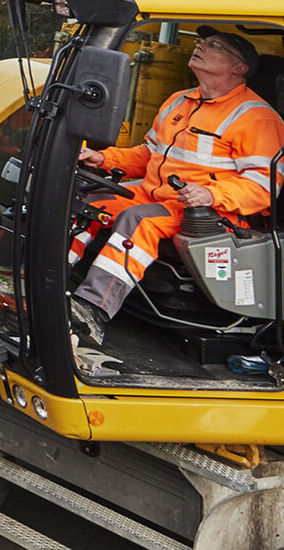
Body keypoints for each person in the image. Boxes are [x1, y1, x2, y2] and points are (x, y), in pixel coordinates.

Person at [70, 29, 284, 337]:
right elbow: (148, 154)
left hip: (214, 213)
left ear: (240, 69)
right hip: (153, 194)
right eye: (202, 42)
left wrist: (210, 194)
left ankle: (92, 309)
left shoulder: (258, 119)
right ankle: (46, 279)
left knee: (139, 221)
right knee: (89, 201)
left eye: (215, 46)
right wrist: (104, 159)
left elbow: (264, 187)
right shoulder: (179, 101)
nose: (200, 46)